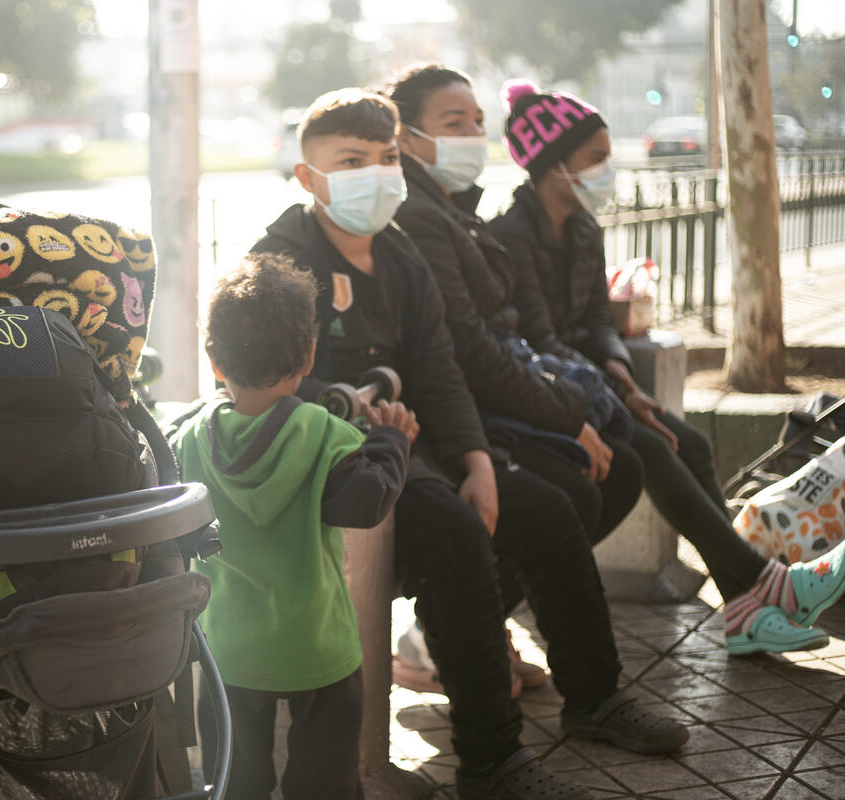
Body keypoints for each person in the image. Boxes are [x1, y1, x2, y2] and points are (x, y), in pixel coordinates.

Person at [252, 87, 687, 800]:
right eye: (350, 161)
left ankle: (596, 700)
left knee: (547, 508)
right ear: (308, 177)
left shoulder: (397, 254)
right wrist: (371, 428)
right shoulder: (281, 261)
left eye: (386, 158)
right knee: (454, 532)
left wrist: (480, 461)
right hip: (340, 459)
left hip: (421, 443)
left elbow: (440, 371)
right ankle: (492, 762)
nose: (375, 173)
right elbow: (267, 386)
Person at [488, 79, 845, 655]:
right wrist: (620, 390)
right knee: (653, 446)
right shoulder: (507, 236)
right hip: (545, 395)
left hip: (593, 384)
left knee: (690, 445)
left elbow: (598, 319)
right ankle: (760, 586)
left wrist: (618, 369)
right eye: (595, 159)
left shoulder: (582, 226)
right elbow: (542, 339)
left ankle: (743, 609)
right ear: (554, 165)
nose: (608, 170)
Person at [382, 65, 645, 686]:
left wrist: (581, 398)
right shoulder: (423, 215)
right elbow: (472, 350)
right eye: (455, 123)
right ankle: (464, 640)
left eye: (477, 120)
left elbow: (536, 333)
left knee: (621, 467)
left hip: (484, 401)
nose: (475, 133)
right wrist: (563, 414)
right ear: (408, 135)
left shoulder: (452, 207)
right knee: (569, 493)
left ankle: (460, 633)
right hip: (454, 416)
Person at [173, 253, 416, 800]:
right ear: (309, 355)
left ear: (214, 360)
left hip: (228, 651)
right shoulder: (324, 433)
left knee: (235, 782)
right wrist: (392, 440)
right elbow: (368, 501)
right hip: (318, 648)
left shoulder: (190, 438)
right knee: (326, 784)